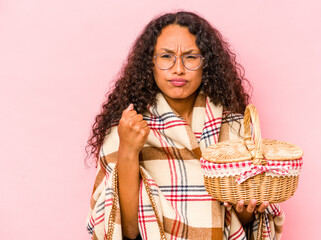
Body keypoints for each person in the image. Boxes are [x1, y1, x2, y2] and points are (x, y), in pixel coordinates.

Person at [85, 11, 285, 240]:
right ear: (150, 63)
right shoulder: (127, 129)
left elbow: (244, 224)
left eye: (190, 57)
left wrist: (248, 211)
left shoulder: (236, 129)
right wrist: (129, 149)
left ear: (206, 64)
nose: (178, 68)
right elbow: (126, 231)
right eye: (166, 57)